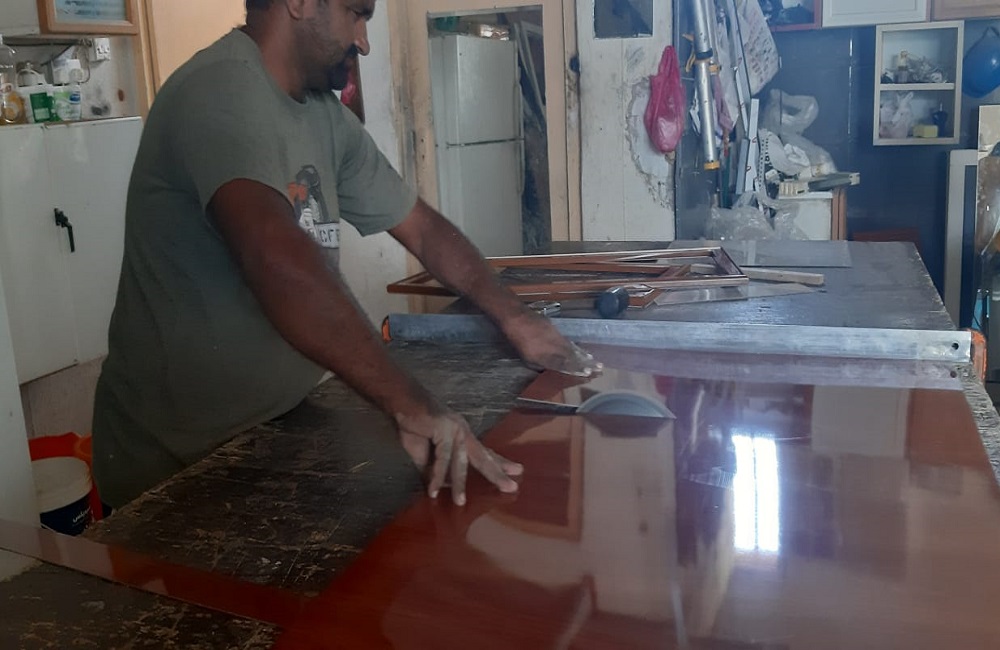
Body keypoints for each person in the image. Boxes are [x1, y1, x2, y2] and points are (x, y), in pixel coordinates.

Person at [92, 0, 601, 509]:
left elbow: (422, 229)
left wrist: (515, 317)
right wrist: (410, 404)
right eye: (356, 14)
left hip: (277, 429)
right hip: (175, 467)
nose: (364, 41)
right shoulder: (218, 92)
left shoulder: (323, 116)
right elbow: (274, 257)